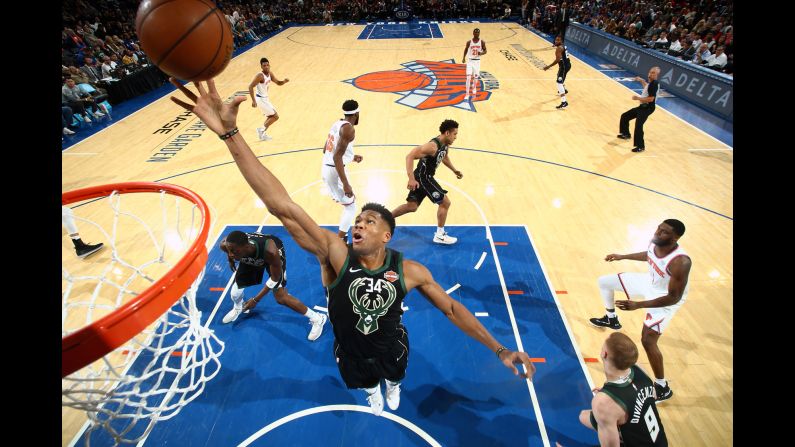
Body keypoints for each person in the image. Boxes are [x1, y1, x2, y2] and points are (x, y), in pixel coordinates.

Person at [168, 77, 536, 416]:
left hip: (393, 347)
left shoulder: (410, 272)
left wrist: (500, 349)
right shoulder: (335, 252)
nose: (358, 224)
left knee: (394, 375)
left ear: (387, 237)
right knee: (363, 383)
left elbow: (454, 310)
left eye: (369, 222)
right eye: (357, 221)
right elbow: (280, 204)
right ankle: (373, 390)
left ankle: (391, 384)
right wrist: (230, 133)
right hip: (350, 351)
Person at [588, 219, 690, 403]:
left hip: (666, 298)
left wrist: (639, 305)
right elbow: (648, 254)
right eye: (659, 228)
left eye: (664, 232)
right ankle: (611, 319)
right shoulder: (655, 242)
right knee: (604, 282)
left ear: (675, 237)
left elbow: (674, 296)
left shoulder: (680, 262)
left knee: (648, 340)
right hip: (649, 282)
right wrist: (623, 256)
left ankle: (662, 387)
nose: (658, 233)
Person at [219, 230, 328, 340]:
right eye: (229, 251)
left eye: (233, 251)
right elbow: (228, 248)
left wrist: (256, 300)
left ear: (246, 246)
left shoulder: (270, 252)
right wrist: (230, 260)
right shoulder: (229, 246)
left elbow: (274, 279)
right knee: (235, 293)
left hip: (271, 257)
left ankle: (318, 319)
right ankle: (238, 308)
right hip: (248, 255)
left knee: (281, 298)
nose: (231, 254)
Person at [578, 332, 668, 446]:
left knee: (584, 416)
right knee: (588, 417)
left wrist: (610, 402)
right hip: (660, 442)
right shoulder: (639, 368)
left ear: (604, 354)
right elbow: (652, 396)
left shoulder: (602, 403)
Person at [391, 120, 463, 245]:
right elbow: (410, 156)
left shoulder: (445, 144)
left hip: (424, 177)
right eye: (454, 134)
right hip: (423, 178)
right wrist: (411, 178)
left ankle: (385, 218)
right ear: (447, 133)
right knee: (445, 202)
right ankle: (440, 235)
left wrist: (454, 170)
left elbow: (444, 157)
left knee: (411, 206)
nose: (456, 137)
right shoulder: (432, 146)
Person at [321, 100, 364, 240]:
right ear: (357, 113)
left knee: (349, 204)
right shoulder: (349, 129)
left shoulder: (337, 124)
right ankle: (339, 240)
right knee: (351, 207)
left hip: (327, 167)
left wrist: (351, 157)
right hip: (335, 171)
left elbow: (326, 149)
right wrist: (345, 183)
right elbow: (337, 156)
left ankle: (341, 237)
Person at [616, 66, 659, 153]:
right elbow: (646, 88)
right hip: (642, 107)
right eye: (650, 72)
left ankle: (640, 146)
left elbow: (651, 99)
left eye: (653, 73)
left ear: (657, 75)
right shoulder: (651, 84)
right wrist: (641, 81)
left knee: (638, 126)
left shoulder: (654, 84)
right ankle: (626, 134)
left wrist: (638, 98)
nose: (650, 74)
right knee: (625, 116)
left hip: (647, 108)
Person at [248, 57, 289, 141]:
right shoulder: (260, 76)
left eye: (267, 65)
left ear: (269, 65)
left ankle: (262, 133)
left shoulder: (270, 73)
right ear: (261, 67)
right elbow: (250, 86)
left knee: (271, 116)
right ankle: (261, 130)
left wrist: (284, 81)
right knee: (275, 116)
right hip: (260, 99)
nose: (266, 67)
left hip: (265, 99)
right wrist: (253, 100)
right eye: (264, 65)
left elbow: (278, 82)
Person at [543, 34, 572, 109]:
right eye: (556, 39)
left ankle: (564, 102)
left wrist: (548, 66)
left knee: (559, 83)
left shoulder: (559, 48)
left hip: (564, 67)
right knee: (559, 76)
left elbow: (557, 60)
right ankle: (564, 90)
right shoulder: (563, 46)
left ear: (561, 41)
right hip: (567, 65)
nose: (556, 41)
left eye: (558, 40)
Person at [462, 28, 487, 101]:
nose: (476, 34)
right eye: (475, 32)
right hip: (470, 61)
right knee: (468, 78)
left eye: (478, 33)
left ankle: (474, 87)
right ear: (473, 33)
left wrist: (481, 53)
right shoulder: (469, 42)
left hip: (477, 62)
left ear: (479, 33)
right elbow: (466, 49)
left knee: (476, 78)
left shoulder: (482, 42)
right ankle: (467, 94)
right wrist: (463, 57)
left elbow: (485, 50)